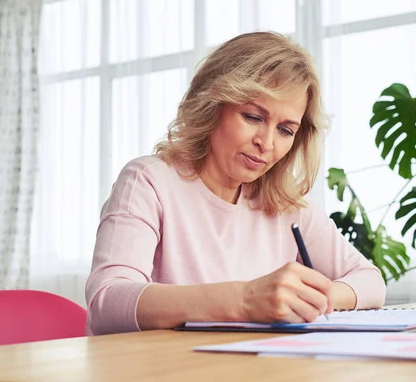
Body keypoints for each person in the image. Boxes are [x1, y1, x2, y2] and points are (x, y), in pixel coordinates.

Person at [85, 31, 386, 336]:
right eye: (253, 117)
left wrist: (311, 298)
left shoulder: (287, 206)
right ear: (212, 104)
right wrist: (244, 300)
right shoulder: (148, 182)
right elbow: (107, 304)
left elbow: (370, 280)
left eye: (285, 130)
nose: (266, 143)